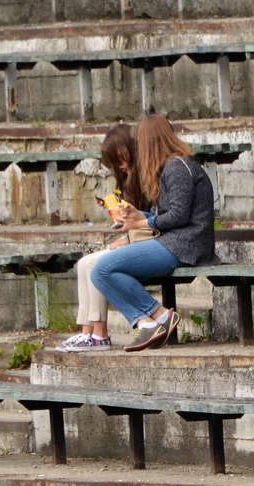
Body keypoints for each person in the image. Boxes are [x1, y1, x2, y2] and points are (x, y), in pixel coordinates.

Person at [92, 114, 219, 352]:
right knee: (101, 270)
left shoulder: (177, 166)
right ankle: (156, 318)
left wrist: (143, 222)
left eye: (139, 142)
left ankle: (154, 319)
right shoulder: (169, 168)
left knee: (103, 269)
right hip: (175, 242)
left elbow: (179, 217)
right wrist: (139, 217)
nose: (137, 149)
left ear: (150, 142)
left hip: (184, 246)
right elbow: (169, 215)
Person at [56, 124, 143, 353]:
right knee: (83, 263)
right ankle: (87, 331)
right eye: (115, 162)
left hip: (146, 243)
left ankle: (100, 334)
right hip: (137, 239)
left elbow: (152, 221)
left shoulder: (147, 176)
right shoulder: (128, 179)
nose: (119, 166)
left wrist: (129, 240)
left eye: (121, 158)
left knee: (95, 264)